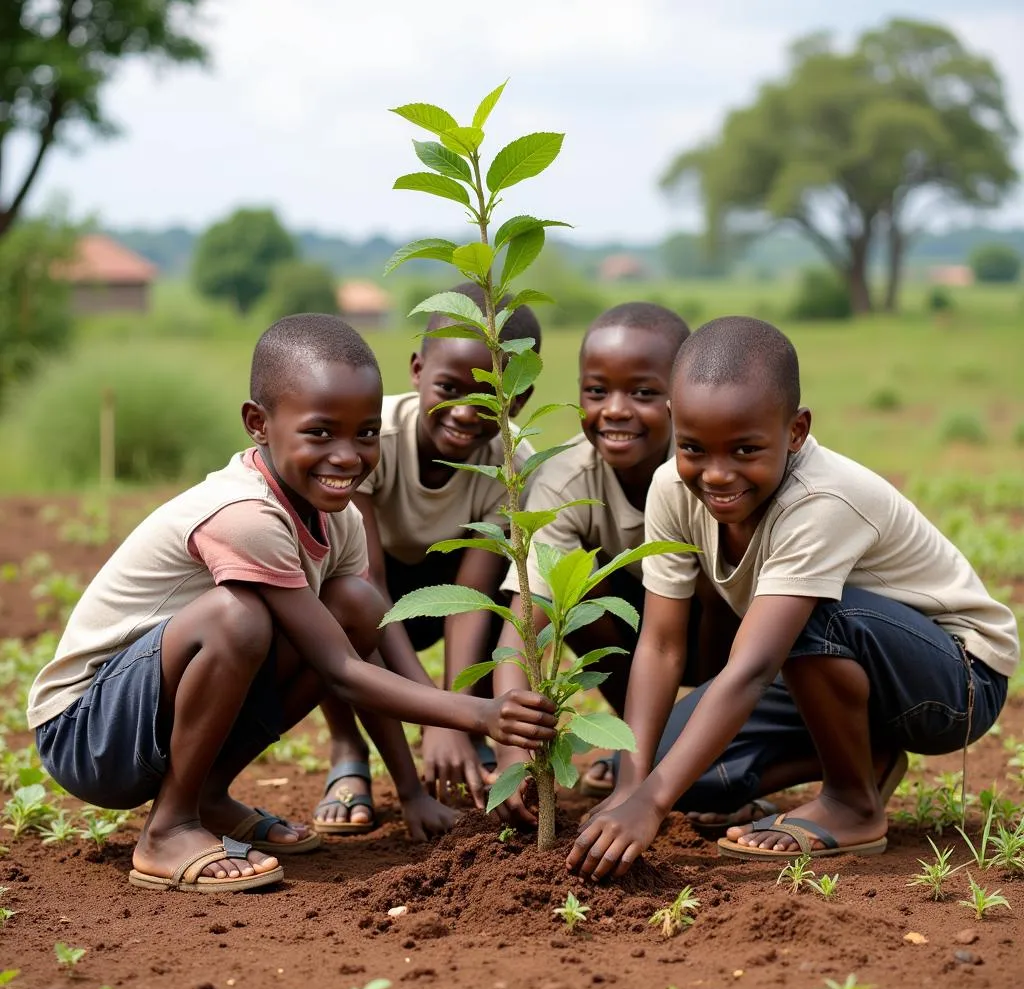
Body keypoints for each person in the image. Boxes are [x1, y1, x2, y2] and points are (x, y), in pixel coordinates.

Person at [27, 313, 556, 894]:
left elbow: (362, 640)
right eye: (320, 433)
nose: (347, 456)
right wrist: (475, 713)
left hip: (153, 718)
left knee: (354, 603)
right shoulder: (244, 515)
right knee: (237, 618)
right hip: (86, 733)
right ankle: (168, 828)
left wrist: (410, 793)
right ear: (259, 424)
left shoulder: (342, 517)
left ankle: (204, 796)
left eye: (365, 433)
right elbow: (340, 671)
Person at [567, 315, 1018, 880]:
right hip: (824, 664)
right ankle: (868, 756)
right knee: (671, 770)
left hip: (956, 680)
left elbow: (754, 665)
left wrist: (649, 805)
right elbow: (659, 647)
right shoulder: (671, 489)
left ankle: (853, 803)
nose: (717, 474)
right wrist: (636, 786)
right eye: (694, 448)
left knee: (809, 617)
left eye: (745, 449)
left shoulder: (820, 500)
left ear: (797, 431)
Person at [312, 284, 542, 833]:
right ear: (417, 370)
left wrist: (455, 715)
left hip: (457, 587)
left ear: (518, 397)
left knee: (506, 605)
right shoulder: (372, 438)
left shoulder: (513, 463)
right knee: (333, 610)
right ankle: (347, 750)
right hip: (373, 582)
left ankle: (477, 745)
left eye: (489, 395)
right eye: (448, 386)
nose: (465, 411)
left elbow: (472, 598)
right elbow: (370, 580)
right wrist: (430, 714)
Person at [488, 302, 731, 819]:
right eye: (597, 391)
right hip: (645, 641)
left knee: (714, 578)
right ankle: (638, 745)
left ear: (682, 396)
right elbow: (522, 633)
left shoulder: (717, 472)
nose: (615, 409)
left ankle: (713, 753)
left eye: (643, 393)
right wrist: (513, 757)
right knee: (574, 590)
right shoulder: (566, 481)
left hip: (724, 640)